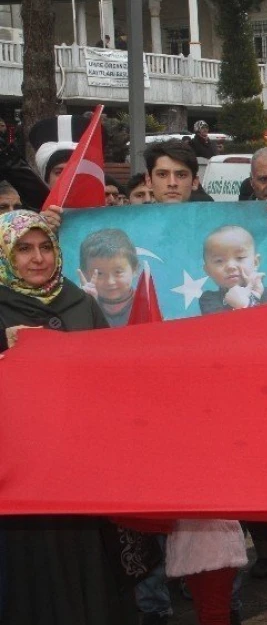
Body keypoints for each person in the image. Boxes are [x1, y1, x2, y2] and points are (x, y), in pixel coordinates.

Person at [0, 210, 135, 625]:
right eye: (23, 249)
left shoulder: (82, 303)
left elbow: (110, 378)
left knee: (84, 567)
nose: (37, 258)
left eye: (44, 247)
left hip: (76, 466)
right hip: (18, 471)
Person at [197, 225, 267, 314]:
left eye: (240, 257)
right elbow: (220, 327)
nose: (230, 266)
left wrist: (252, 299)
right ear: (208, 271)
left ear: (255, 262)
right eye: (219, 261)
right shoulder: (209, 300)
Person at [77, 228, 140, 327]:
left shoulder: (146, 304)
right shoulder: (80, 305)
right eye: (100, 274)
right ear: (85, 274)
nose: (110, 282)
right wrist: (87, 306)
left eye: (118, 272)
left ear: (135, 269)